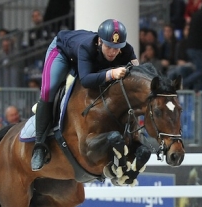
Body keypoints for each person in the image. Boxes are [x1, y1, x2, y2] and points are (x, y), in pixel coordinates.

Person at [31, 18, 139, 171]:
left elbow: (138, 72)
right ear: (100, 41)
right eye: (109, 46)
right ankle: (39, 146)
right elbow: (86, 80)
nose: (113, 52)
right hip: (62, 52)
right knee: (49, 90)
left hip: (84, 60)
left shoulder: (127, 49)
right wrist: (111, 73)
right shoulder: (86, 47)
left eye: (117, 47)